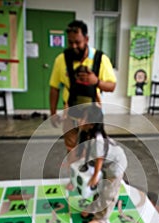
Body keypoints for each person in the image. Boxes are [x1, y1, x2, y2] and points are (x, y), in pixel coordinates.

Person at [49, 19, 116, 169]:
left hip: (92, 118)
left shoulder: (100, 59)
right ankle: (75, 178)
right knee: (71, 148)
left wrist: (96, 81)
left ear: (86, 39)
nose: (74, 46)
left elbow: (112, 86)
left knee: (93, 149)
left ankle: (92, 177)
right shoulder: (62, 60)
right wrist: (53, 113)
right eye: (70, 42)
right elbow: (54, 88)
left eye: (77, 42)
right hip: (70, 115)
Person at [75, 104, 128, 223]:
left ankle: (101, 218)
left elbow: (99, 158)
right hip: (105, 165)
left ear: (92, 124)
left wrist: (94, 176)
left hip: (115, 166)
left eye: (83, 118)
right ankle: (94, 208)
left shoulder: (97, 139)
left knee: (108, 193)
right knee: (100, 189)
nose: (79, 120)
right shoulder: (86, 133)